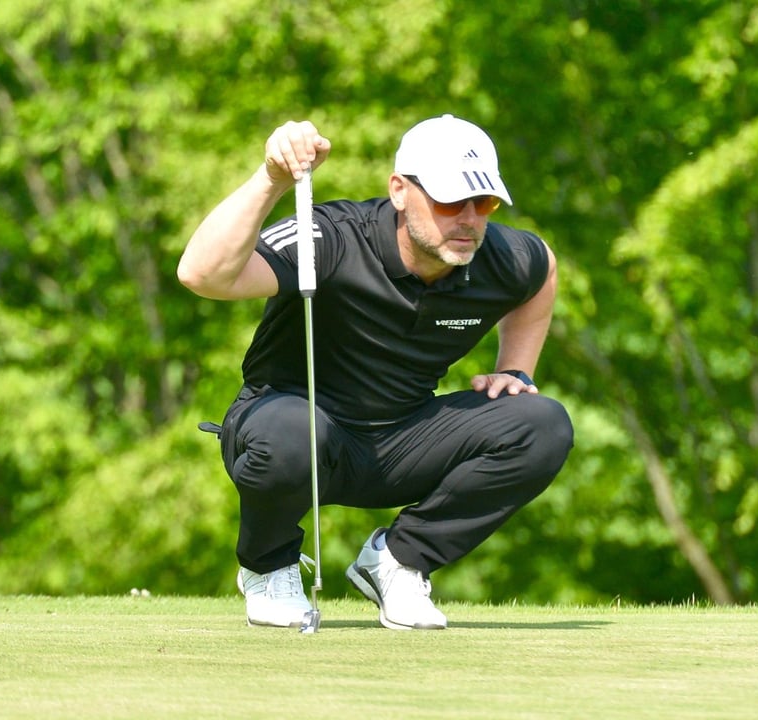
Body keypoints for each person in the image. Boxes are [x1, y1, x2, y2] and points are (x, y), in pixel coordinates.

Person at [177, 114, 574, 630]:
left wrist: (515, 368)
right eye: (452, 201)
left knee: (542, 424)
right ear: (400, 190)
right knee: (296, 434)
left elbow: (542, 270)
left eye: (486, 203)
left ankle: (399, 560)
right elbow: (201, 274)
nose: (471, 219)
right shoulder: (333, 236)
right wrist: (272, 178)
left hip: (401, 441)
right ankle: (268, 567)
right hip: (292, 430)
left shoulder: (497, 256)